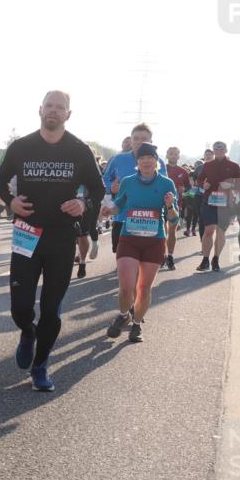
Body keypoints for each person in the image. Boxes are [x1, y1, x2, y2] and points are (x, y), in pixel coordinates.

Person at [0, 90, 104, 392]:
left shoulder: (79, 151)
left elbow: (97, 189)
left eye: (60, 107)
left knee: (52, 308)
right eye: (50, 106)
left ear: (69, 114)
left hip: (61, 238)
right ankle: (27, 332)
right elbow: (0, 181)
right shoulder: (21, 147)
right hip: (26, 234)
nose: (54, 111)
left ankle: (40, 365)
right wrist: (10, 202)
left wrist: (83, 204)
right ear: (40, 110)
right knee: (20, 308)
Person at [103, 143, 179, 342]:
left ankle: (137, 324)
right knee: (126, 286)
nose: (146, 161)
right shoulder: (128, 181)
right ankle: (123, 315)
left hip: (154, 242)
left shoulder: (166, 183)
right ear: (137, 162)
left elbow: (174, 219)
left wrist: (170, 206)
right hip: (129, 239)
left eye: (150, 157)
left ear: (156, 161)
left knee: (143, 288)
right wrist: (108, 210)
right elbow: (118, 205)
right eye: (142, 158)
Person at [101, 124, 166, 255]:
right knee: (122, 258)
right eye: (136, 138)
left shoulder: (158, 161)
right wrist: (111, 188)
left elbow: (164, 186)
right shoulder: (118, 159)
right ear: (131, 140)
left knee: (143, 261)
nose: (139, 142)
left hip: (149, 219)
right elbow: (105, 178)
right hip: (122, 217)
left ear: (151, 142)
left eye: (144, 139)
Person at [196, 141, 240, 272]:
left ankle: (216, 259)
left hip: (226, 204)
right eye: (216, 148)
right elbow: (199, 180)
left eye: (221, 148)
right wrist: (203, 185)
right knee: (208, 230)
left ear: (226, 150)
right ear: (213, 151)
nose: (219, 150)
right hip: (209, 202)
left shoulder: (234, 166)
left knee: (220, 232)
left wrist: (231, 185)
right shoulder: (207, 165)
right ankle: (205, 260)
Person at [162, 146, 191, 270]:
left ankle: (170, 256)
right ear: (167, 155)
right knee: (162, 232)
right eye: (171, 154)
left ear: (179, 156)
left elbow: (190, 190)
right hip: (159, 204)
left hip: (175, 205)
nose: (173, 156)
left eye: (176, 154)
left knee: (172, 231)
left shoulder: (183, 171)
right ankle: (162, 254)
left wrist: (184, 191)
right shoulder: (161, 169)